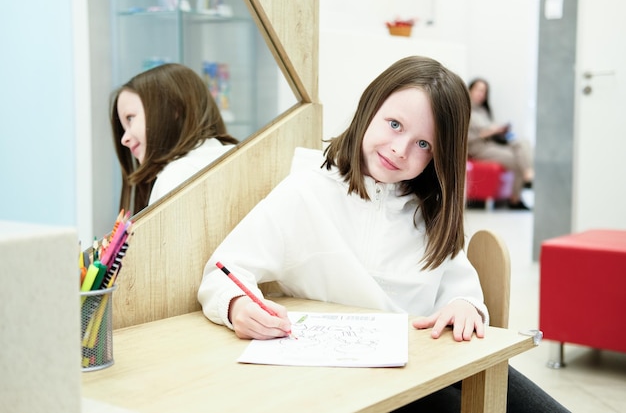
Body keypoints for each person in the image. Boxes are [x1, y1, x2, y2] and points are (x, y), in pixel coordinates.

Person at [197, 56, 569, 413]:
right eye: (394, 124)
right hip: (356, 380)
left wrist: (465, 305)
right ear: (370, 107)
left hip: (433, 360)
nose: (399, 149)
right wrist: (237, 307)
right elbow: (224, 272)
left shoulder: (429, 210)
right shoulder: (304, 193)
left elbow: (459, 286)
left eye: (424, 144)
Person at [110, 63, 239, 215]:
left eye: (130, 118)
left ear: (173, 109)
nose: (124, 139)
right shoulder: (234, 158)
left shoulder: (175, 177)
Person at [467, 77, 534, 210]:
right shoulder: (465, 110)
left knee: (522, 143)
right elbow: (467, 137)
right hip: (477, 148)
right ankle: (516, 198)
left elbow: (488, 131)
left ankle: (528, 174)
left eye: (484, 92)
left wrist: (498, 131)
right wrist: (489, 132)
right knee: (516, 160)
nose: (481, 94)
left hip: (489, 145)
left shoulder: (483, 111)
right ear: (470, 90)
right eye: (479, 90)